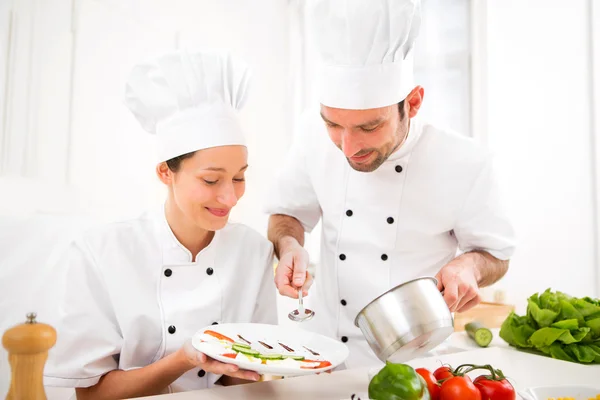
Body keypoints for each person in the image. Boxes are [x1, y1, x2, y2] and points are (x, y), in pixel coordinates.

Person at [264, 0, 516, 369]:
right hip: (320, 357)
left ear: (412, 103)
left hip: (416, 361)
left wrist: (470, 267)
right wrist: (288, 246)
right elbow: (288, 213)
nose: (348, 147)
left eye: (369, 127)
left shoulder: (464, 162)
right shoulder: (309, 135)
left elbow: (496, 254)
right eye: (333, 125)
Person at [43, 49, 276, 396]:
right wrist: (185, 359)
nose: (230, 198)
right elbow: (90, 394)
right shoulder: (102, 252)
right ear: (166, 172)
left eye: (239, 178)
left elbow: (245, 379)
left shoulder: (253, 250)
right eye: (211, 181)